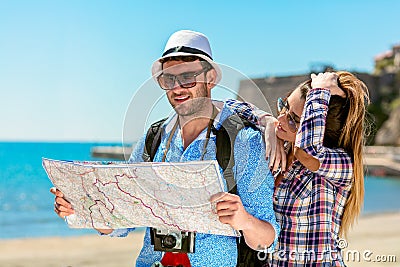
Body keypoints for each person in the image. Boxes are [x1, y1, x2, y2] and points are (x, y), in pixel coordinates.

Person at [51, 30, 279, 267]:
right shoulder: (153, 139)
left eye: (188, 78)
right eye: (168, 79)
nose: (177, 88)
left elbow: (267, 240)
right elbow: (122, 220)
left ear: (210, 78)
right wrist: (80, 207)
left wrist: (244, 221)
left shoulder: (243, 141)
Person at [227, 71, 370, 266]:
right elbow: (227, 106)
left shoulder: (342, 164)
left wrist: (319, 92)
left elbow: (308, 151)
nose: (282, 119)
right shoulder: (280, 151)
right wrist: (266, 121)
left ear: (318, 127)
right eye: (284, 106)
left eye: (294, 120)